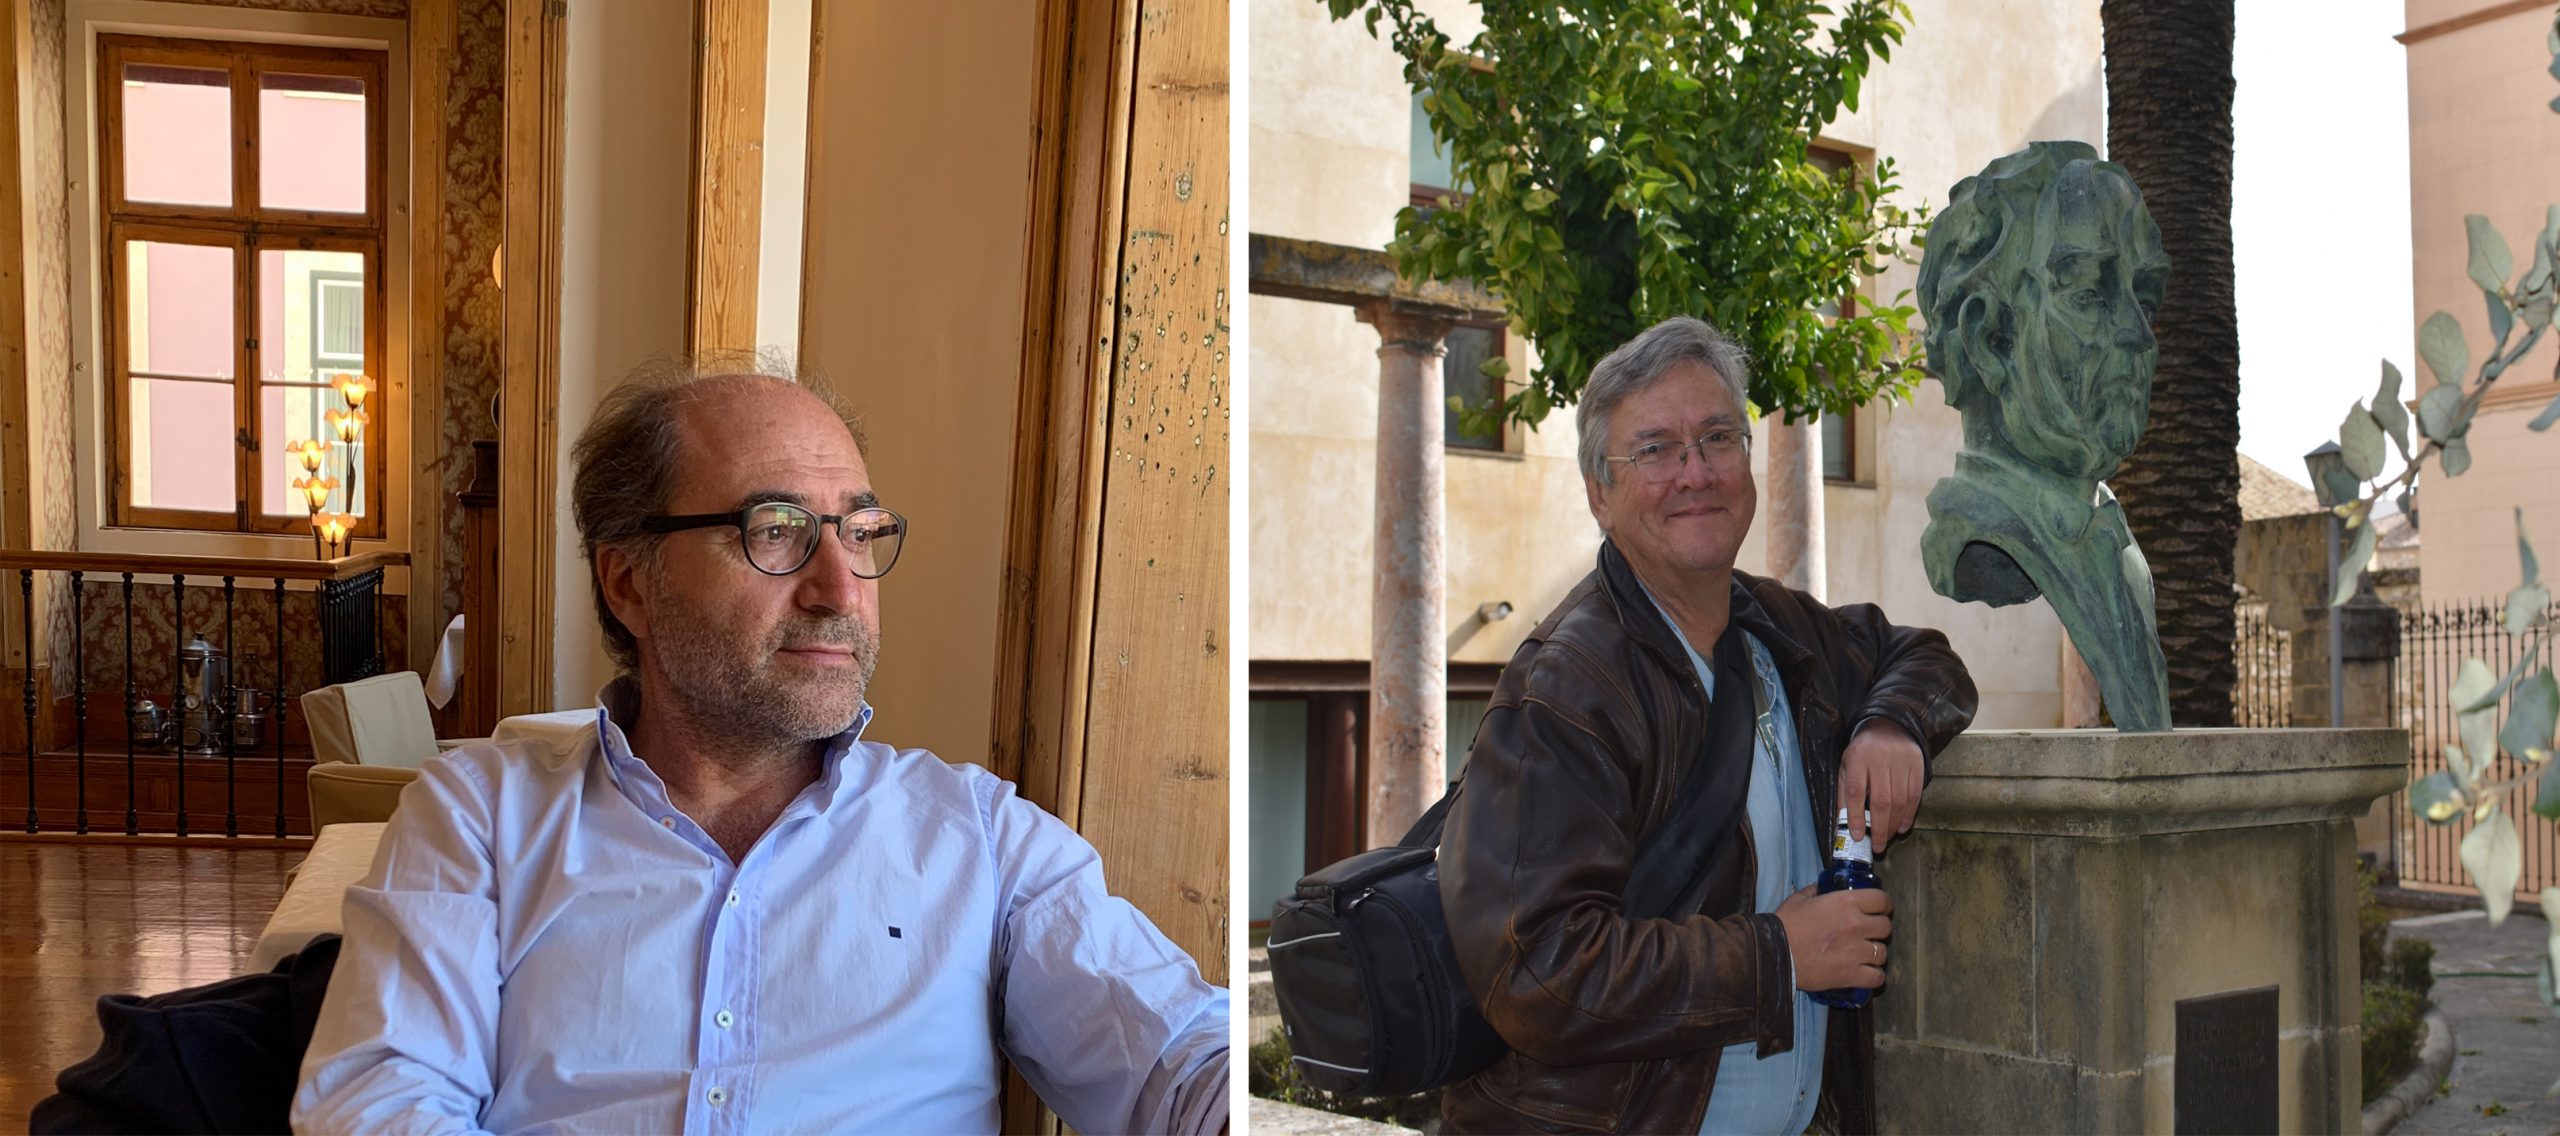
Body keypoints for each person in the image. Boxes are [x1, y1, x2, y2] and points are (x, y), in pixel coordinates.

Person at [294, 359, 1229, 1134]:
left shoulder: (979, 841)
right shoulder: (479, 818)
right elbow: (380, 1105)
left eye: (859, 532)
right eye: (775, 531)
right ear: (629, 584)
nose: (841, 587)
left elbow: (1180, 1060)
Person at [1435, 317, 1977, 1134]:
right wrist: (1779, 954)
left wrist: (1890, 724)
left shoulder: (1781, 629)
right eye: (1654, 449)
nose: (1695, 472)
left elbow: (1922, 655)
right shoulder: (1564, 689)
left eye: (1717, 437)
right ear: (1599, 493)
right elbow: (1536, 973)